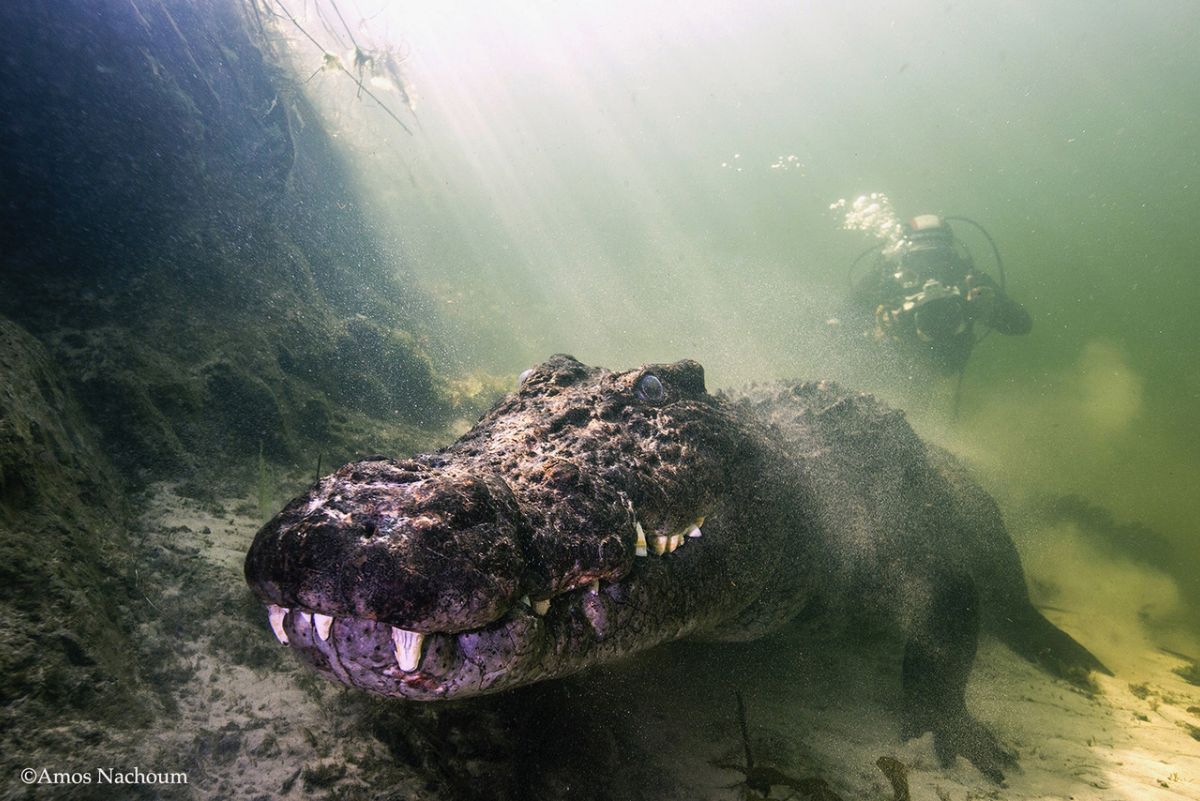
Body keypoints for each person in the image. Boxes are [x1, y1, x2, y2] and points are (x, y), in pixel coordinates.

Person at [851, 214, 1031, 377]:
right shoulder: (886, 283)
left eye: (939, 257)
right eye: (920, 258)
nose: (930, 269)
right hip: (891, 376)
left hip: (946, 365)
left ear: (951, 255)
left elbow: (1022, 324)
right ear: (905, 256)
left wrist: (989, 307)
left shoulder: (970, 281)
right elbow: (837, 334)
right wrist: (876, 332)